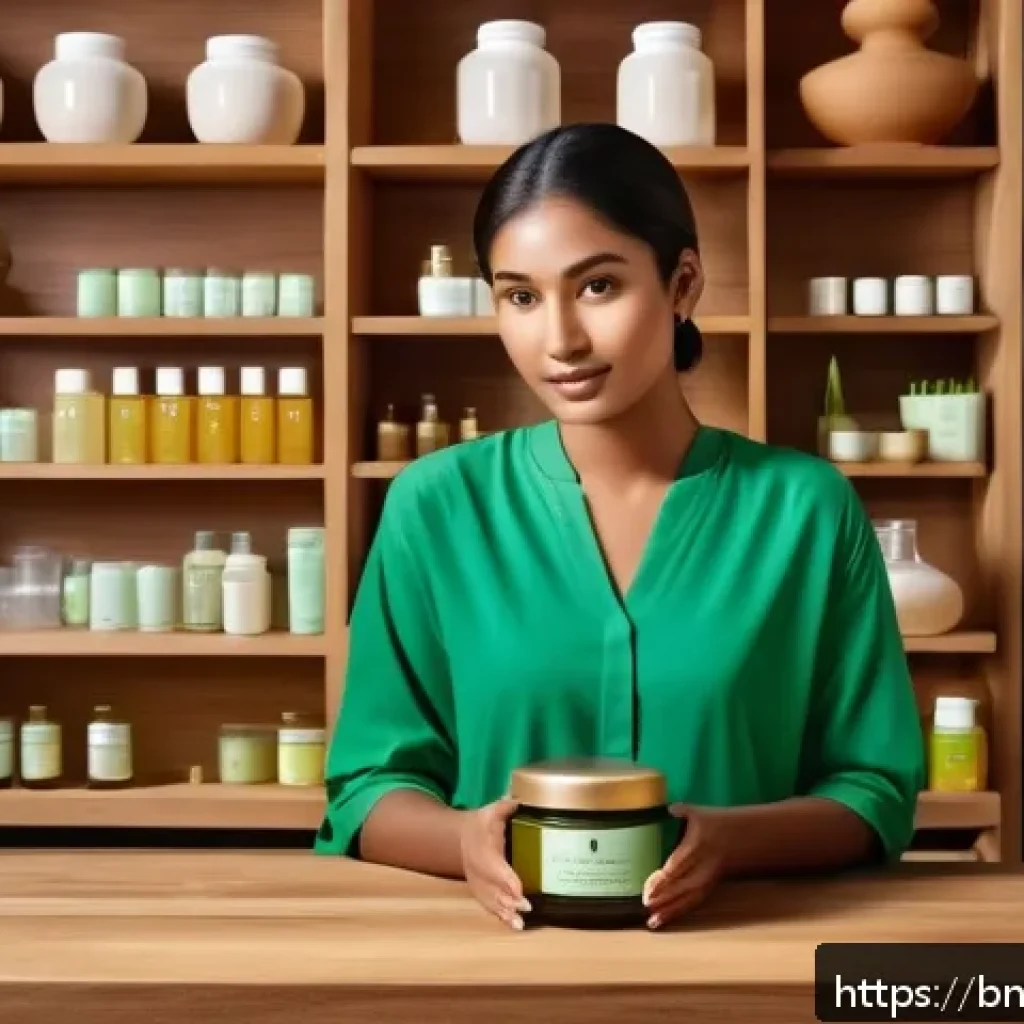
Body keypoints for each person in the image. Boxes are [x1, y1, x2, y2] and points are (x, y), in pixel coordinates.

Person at [314, 123, 925, 930]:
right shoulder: (434, 505)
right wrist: (464, 840)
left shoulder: (805, 509)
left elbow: (873, 789)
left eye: (598, 286)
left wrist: (733, 842)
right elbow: (367, 786)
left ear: (682, 284)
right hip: (490, 968)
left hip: (743, 959)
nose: (560, 339)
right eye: (521, 296)